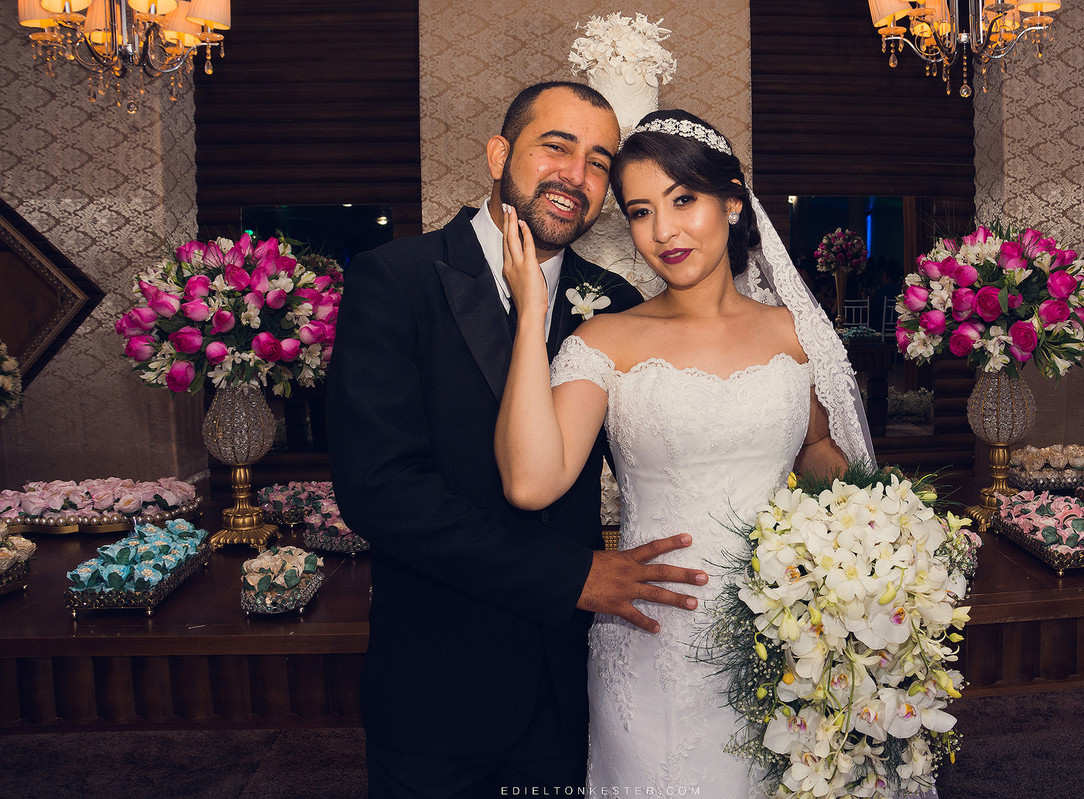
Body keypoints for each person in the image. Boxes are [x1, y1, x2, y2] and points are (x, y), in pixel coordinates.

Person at [327, 84, 709, 798]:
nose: (576, 175)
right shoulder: (396, 279)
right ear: (499, 154)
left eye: (599, 162)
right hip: (438, 689)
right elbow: (379, 490)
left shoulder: (616, 306)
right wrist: (569, 576)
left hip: (572, 688)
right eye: (556, 147)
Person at [495, 110, 875, 794]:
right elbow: (530, 482)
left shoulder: (796, 333)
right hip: (655, 638)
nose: (663, 231)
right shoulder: (605, 341)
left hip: (789, 629)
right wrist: (531, 314)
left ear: (732, 202)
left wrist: (884, 536)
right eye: (641, 212)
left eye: (683, 200)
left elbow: (819, 450)